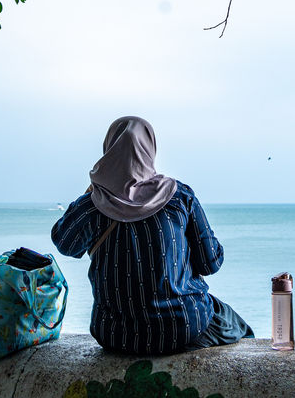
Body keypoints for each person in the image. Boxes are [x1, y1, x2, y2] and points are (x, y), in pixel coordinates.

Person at [51, 116, 254, 355]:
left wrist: (92, 192)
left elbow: (65, 244)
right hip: (183, 326)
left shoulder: (92, 205)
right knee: (241, 329)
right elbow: (211, 263)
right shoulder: (179, 197)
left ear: (108, 151)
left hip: (116, 334)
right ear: (150, 149)